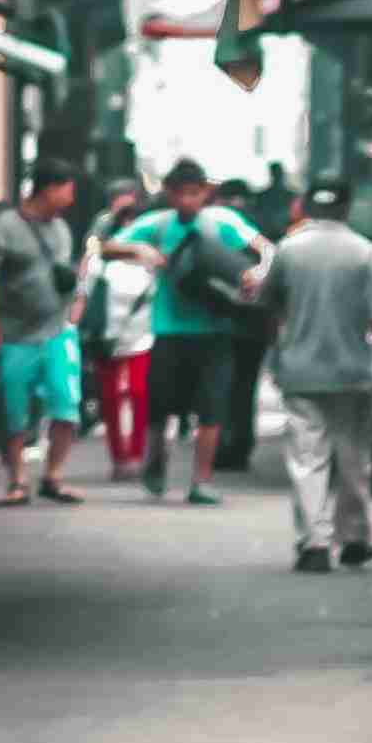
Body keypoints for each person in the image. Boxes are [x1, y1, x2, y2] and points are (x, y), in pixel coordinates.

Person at [114, 161, 274, 505]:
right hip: (169, 331)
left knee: (212, 409)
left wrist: (255, 275)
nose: (188, 200)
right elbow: (106, 246)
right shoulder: (156, 225)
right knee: (159, 408)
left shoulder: (223, 222)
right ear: (169, 194)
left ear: (205, 193)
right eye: (181, 193)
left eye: (195, 193)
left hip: (215, 331)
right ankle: (155, 465)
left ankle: (201, 481)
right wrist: (138, 250)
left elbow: (267, 250)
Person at [266, 179, 372, 571]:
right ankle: (354, 537)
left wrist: (279, 353)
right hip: (353, 372)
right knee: (354, 459)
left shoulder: (287, 250)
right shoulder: (363, 252)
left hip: (301, 371)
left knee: (308, 458)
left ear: (307, 206)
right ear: (346, 208)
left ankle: (315, 544)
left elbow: (270, 307)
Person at [0, 162, 90, 506]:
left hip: (57, 332)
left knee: (67, 407)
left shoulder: (61, 230)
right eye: (67, 190)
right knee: (15, 411)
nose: (70, 199)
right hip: (15, 335)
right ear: (48, 189)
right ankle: (17, 481)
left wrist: (75, 306)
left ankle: (54, 477)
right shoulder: (6, 226)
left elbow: (65, 272)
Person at [83, 183, 159, 482]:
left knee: (140, 394)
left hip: (143, 335)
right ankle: (119, 457)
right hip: (108, 335)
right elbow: (85, 286)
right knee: (111, 398)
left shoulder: (151, 255)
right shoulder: (100, 253)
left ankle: (137, 455)